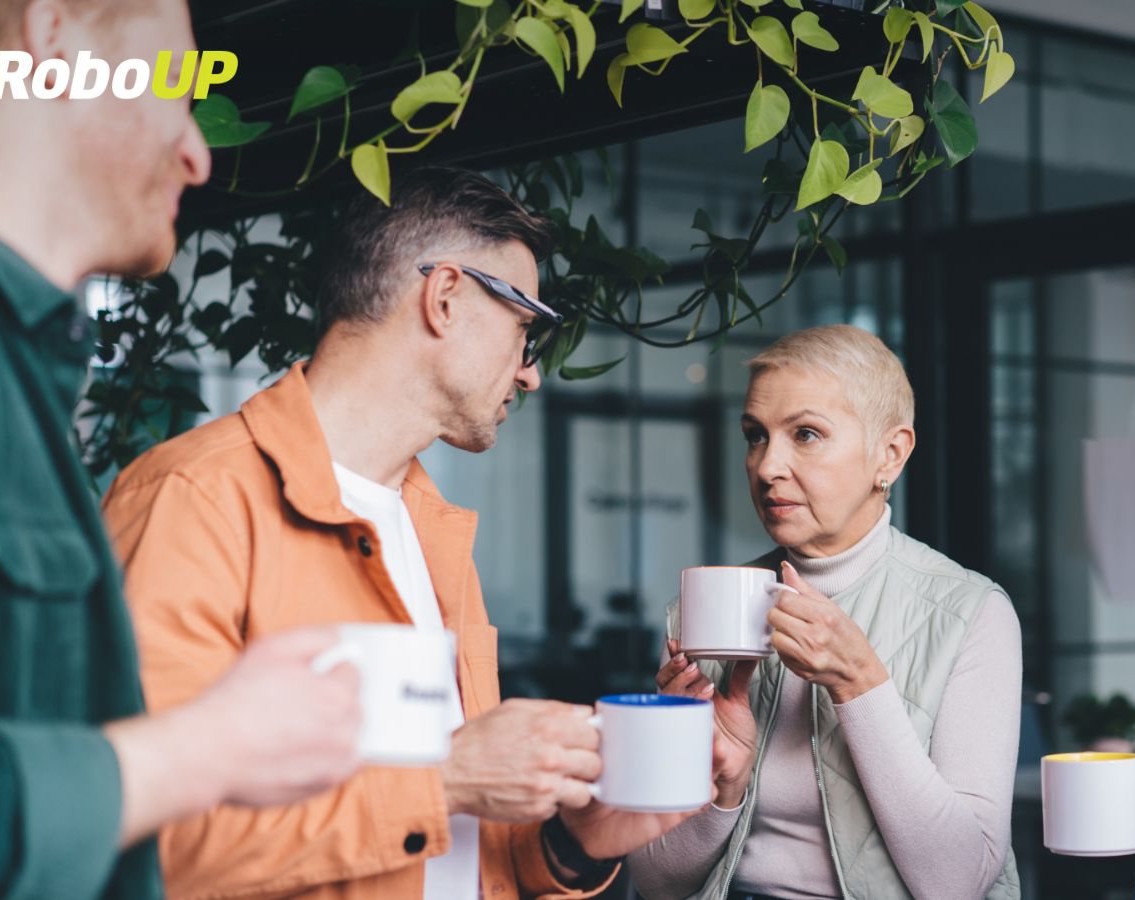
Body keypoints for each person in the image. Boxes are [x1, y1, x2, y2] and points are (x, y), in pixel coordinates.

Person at [102, 166, 703, 899]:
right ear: (445, 297)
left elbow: (457, 849)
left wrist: (570, 847)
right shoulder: (193, 498)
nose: (530, 373)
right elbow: (144, 843)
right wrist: (444, 779)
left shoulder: (432, 528)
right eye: (525, 328)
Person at [0, 1, 364, 897]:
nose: (198, 154)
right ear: (53, 39)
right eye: (180, 82)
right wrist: (210, 747)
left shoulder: (5, 358)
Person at [629, 325, 1023, 900]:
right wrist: (723, 786)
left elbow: (957, 883)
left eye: (806, 434)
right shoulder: (700, 613)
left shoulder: (972, 614)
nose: (766, 468)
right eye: (755, 436)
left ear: (890, 454)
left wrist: (860, 684)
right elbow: (655, 882)